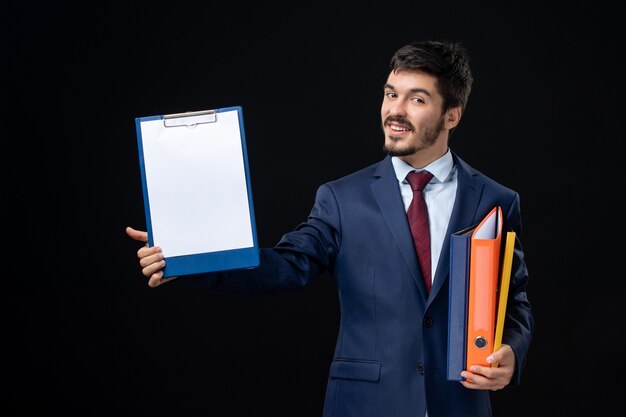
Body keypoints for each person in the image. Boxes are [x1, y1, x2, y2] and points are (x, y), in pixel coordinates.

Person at [126, 39, 533, 417]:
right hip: (366, 403)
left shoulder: (495, 200)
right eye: (391, 94)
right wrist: (188, 256)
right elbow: (286, 266)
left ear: (452, 115)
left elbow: (513, 300)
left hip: (458, 402)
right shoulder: (342, 199)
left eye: (417, 99)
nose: (396, 111)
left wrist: (512, 351)